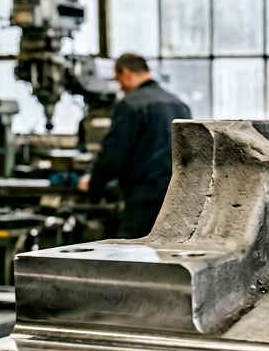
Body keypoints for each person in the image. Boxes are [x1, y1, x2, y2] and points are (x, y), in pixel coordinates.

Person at [77, 53, 192, 238]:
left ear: (126, 73)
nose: (120, 87)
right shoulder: (178, 104)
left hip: (143, 200)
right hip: (179, 197)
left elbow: (114, 154)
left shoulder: (130, 105)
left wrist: (94, 184)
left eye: (118, 80)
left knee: (134, 257)